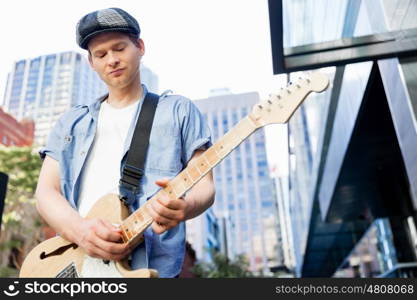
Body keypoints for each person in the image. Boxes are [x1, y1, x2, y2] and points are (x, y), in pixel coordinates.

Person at [35, 7, 215, 278]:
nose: (112, 60)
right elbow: (46, 192)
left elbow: (205, 186)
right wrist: (81, 232)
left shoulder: (179, 110)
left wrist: (185, 208)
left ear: (140, 47)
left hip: (150, 267)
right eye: (101, 54)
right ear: (91, 63)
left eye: (119, 48)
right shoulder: (71, 121)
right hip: (76, 265)